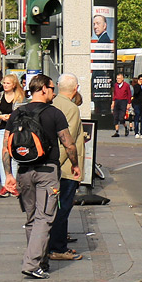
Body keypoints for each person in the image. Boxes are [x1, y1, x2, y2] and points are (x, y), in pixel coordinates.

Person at [3, 74, 79, 280]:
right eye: (52, 88)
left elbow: (5, 148)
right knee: (45, 218)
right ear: (44, 89)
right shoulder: (54, 113)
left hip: (23, 171)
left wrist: (8, 174)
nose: (54, 92)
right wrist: (75, 164)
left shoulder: (17, 113)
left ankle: (41, 262)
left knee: (31, 219)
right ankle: (31, 263)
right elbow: (69, 143)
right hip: (47, 172)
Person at [46, 74, 85, 263]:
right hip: (66, 167)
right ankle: (58, 247)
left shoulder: (53, 104)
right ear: (75, 88)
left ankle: (53, 243)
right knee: (63, 207)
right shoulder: (71, 108)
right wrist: (58, 165)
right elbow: (66, 141)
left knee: (53, 207)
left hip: (51, 164)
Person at [0, 74, 25, 197]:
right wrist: (1, 117)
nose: (5, 85)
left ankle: (12, 185)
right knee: (3, 156)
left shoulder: (20, 98)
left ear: (14, 84)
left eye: (8, 83)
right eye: (4, 83)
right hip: (0, 129)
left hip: (16, 130)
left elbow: (24, 115)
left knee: (14, 157)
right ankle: (5, 185)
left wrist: (13, 118)